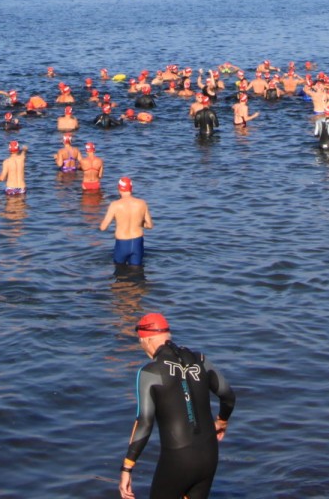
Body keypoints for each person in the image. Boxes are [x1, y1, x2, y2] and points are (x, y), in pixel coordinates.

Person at [119, 311, 236, 499]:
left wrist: (127, 467)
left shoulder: (149, 373)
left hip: (177, 460)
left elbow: (144, 422)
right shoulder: (200, 360)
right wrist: (222, 421)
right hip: (209, 454)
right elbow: (228, 396)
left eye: (141, 345)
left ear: (147, 340)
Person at [100, 177, 153, 266]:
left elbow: (103, 227)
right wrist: (138, 222)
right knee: (137, 273)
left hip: (122, 243)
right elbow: (150, 225)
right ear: (131, 189)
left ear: (119, 189)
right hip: (137, 242)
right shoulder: (142, 203)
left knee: (120, 272)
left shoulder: (115, 205)